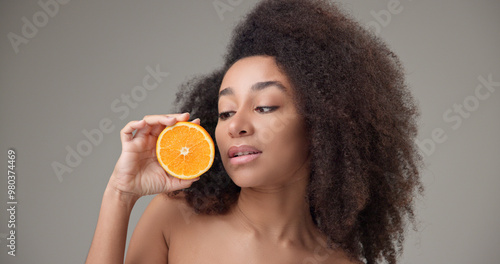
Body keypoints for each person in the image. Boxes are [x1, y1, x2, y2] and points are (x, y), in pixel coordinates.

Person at [86, 0, 423, 263]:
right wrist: (120, 194)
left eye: (264, 107)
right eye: (225, 112)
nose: (236, 125)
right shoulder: (175, 217)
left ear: (321, 124)